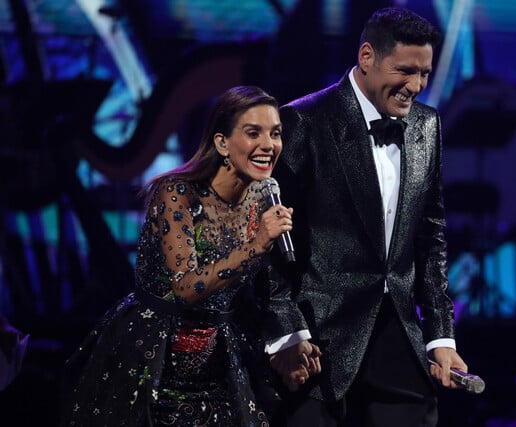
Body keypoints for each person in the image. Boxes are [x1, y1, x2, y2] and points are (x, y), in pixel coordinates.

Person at [60, 85, 318, 426]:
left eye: (275, 133)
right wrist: (255, 245)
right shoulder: (176, 193)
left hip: (220, 359)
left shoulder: (263, 197)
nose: (269, 145)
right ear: (222, 142)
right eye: (253, 133)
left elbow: (271, 290)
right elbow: (185, 288)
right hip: (153, 358)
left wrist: (290, 342)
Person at [264, 7, 470, 427]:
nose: (415, 86)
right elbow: (268, 240)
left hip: (398, 336)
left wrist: (441, 335)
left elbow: (430, 240)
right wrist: (285, 331)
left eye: (425, 73)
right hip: (317, 337)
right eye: (405, 71)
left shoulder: (427, 126)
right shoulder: (302, 121)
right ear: (367, 56)